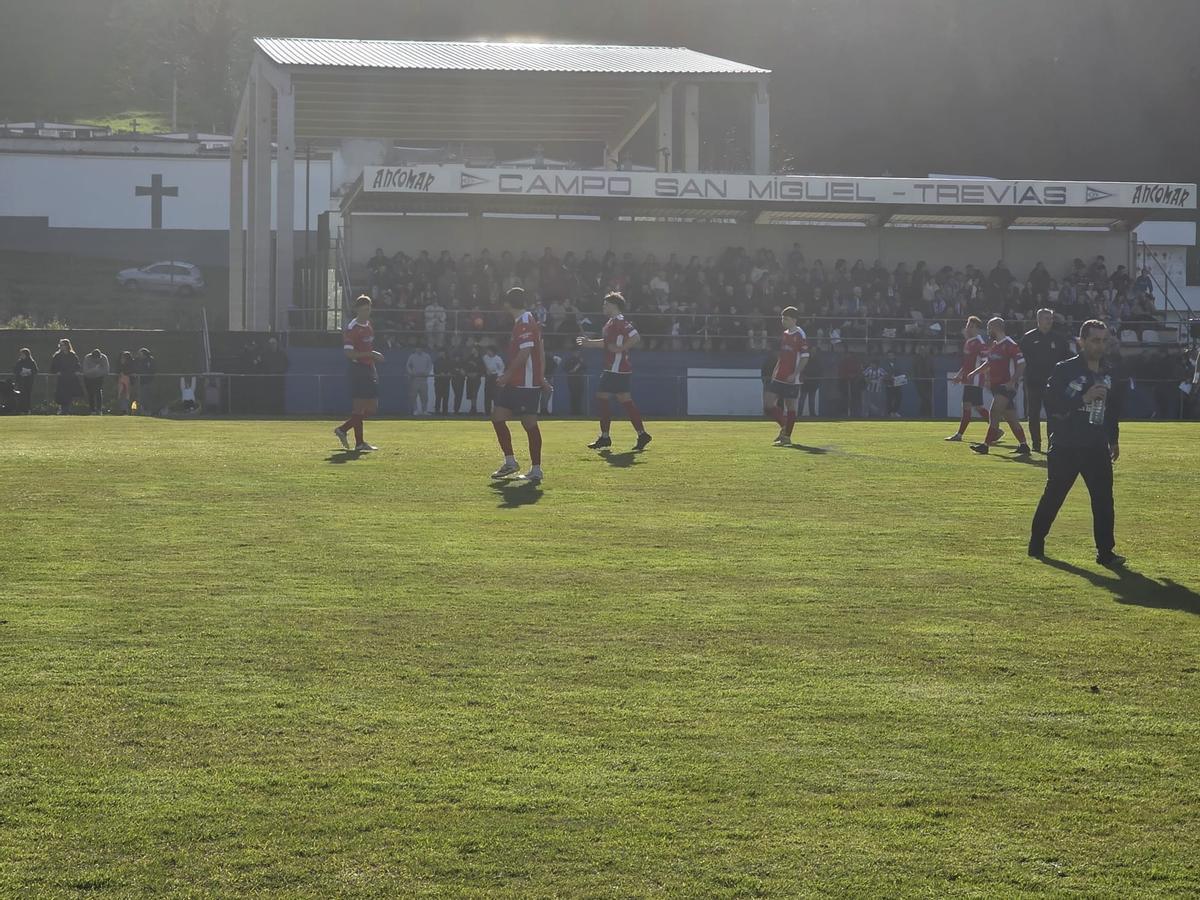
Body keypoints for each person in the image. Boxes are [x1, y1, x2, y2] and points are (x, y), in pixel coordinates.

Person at [1029, 320, 1125, 567]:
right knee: (1054, 495)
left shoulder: (1109, 371)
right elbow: (1052, 404)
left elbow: (1112, 409)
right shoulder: (1065, 369)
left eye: (1104, 340)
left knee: (1103, 500)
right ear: (1081, 342)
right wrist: (1084, 397)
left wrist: (1113, 439)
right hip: (1066, 444)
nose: (1100, 345)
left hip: (1096, 445)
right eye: (1095, 340)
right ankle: (1037, 541)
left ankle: (1106, 552)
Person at [577, 292, 651, 451]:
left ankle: (605, 437)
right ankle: (642, 434)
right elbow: (607, 343)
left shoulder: (620, 321)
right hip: (617, 369)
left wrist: (621, 348)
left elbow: (635, 337)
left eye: (606, 304)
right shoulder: (611, 322)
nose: (603, 307)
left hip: (616, 369)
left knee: (602, 397)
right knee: (625, 401)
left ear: (614, 306)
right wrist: (589, 343)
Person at [490, 287, 547, 484]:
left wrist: (507, 375)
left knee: (529, 424)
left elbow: (524, 355)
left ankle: (536, 469)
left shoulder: (524, 322)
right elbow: (540, 351)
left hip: (524, 383)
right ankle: (511, 462)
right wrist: (542, 376)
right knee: (498, 417)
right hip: (520, 381)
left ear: (507, 304)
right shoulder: (527, 320)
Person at [966, 317, 1031, 455]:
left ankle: (985, 445)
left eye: (989, 327)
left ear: (996, 327)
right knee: (1011, 418)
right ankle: (1024, 445)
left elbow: (1022, 363)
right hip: (997, 387)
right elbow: (988, 363)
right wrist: (974, 372)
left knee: (994, 411)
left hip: (1006, 386)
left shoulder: (1010, 344)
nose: (988, 331)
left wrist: (1012, 381)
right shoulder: (995, 345)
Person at [333, 295, 383, 452]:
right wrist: (370, 355)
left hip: (368, 368)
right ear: (357, 310)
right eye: (363, 310)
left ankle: (343, 429)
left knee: (372, 407)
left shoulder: (368, 325)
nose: (366, 313)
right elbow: (349, 354)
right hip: (358, 369)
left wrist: (372, 358)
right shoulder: (352, 328)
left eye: (368, 309)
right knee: (359, 407)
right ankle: (359, 442)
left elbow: (366, 348)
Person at [1019, 308, 1072, 452]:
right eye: (1046, 318)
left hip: (1053, 384)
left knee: (1053, 415)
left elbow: (1068, 358)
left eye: (1051, 318)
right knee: (1033, 414)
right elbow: (1020, 360)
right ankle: (1036, 445)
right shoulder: (1028, 338)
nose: (1050, 321)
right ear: (1038, 320)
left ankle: (1052, 444)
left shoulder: (1059, 339)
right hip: (1033, 382)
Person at [760, 306, 810, 445]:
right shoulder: (785, 334)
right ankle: (784, 427)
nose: (783, 321)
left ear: (794, 320)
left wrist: (795, 374)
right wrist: (775, 371)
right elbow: (782, 356)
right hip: (779, 376)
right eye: (782, 318)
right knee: (768, 405)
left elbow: (805, 357)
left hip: (792, 378)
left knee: (791, 407)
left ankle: (786, 436)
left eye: (786, 319)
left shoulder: (800, 334)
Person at [946, 316, 995, 441]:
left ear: (977, 329)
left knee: (967, 406)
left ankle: (959, 435)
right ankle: (996, 429)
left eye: (972, 326)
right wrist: (959, 375)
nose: (969, 328)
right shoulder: (969, 342)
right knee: (977, 407)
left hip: (976, 379)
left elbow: (986, 362)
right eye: (968, 325)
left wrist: (987, 378)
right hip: (969, 379)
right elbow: (966, 363)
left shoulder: (979, 343)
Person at [49, 339, 82, 415]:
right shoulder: (57, 356)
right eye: (60, 345)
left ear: (67, 346)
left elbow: (77, 365)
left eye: (62, 345)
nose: (61, 347)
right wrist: (57, 372)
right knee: (62, 395)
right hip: (62, 378)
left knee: (69, 394)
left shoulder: (72, 355)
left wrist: (77, 371)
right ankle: (63, 410)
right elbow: (53, 367)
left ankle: (67, 409)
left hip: (71, 378)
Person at [406, 344, 433, 415]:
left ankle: (424, 411)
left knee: (424, 396)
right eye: (417, 348)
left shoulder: (427, 356)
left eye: (420, 348)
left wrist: (427, 372)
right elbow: (408, 365)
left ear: (422, 349)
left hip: (423, 379)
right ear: (415, 349)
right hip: (415, 379)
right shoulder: (412, 356)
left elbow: (430, 365)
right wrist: (411, 373)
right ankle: (415, 410)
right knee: (413, 395)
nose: (418, 349)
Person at [81, 347, 110, 414]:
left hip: (99, 378)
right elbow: (85, 371)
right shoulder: (87, 358)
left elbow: (106, 370)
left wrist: (97, 372)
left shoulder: (103, 358)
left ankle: (99, 410)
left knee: (98, 393)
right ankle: (92, 410)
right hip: (88, 378)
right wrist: (94, 370)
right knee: (90, 394)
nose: (97, 360)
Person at [12, 348, 37, 414]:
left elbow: (35, 370)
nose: (21, 355)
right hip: (20, 382)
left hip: (28, 382)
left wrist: (29, 372)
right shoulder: (19, 362)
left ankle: (27, 409)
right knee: (20, 395)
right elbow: (15, 370)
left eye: (22, 354)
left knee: (27, 396)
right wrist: (20, 373)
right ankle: (20, 409)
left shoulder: (31, 362)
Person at [482, 346, 505, 415]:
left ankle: (496, 411)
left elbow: (501, 369)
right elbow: (484, 366)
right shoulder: (485, 357)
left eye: (489, 351)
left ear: (493, 351)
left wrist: (498, 376)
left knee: (496, 395)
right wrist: (487, 371)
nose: (487, 352)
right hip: (488, 377)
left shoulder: (498, 359)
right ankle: (487, 412)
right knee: (487, 395)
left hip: (496, 377)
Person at [564, 350, 586, 416]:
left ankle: (578, 411)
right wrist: (577, 366)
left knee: (579, 396)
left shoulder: (580, 360)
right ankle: (573, 412)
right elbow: (567, 369)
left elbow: (585, 368)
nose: (577, 353)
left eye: (578, 352)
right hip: (572, 380)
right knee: (573, 396)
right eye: (576, 352)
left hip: (580, 380)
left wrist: (581, 363)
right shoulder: (570, 360)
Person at [134, 348, 156, 415]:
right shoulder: (138, 361)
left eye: (140, 354)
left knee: (148, 396)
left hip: (149, 381)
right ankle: (142, 410)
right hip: (141, 382)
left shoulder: (150, 360)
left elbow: (152, 370)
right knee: (141, 397)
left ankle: (149, 411)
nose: (139, 355)